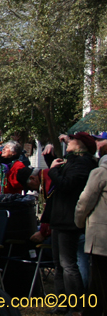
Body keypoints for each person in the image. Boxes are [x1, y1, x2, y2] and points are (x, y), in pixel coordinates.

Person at [46, 132, 98, 315]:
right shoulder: (74, 161)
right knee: (59, 264)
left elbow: (67, 184)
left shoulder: (83, 164)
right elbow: (61, 178)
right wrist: (52, 163)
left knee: (68, 264)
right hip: (60, 217)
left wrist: (53, 171)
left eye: (71, 140)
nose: (68, 142)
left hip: (69, 218)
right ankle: (62, 303)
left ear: (81, 145)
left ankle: (76, 305)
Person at [75, 134, 107, 316]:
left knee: (100, 277)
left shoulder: (100, 173)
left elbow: (85, 202)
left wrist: (79, 223)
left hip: (101, 235)